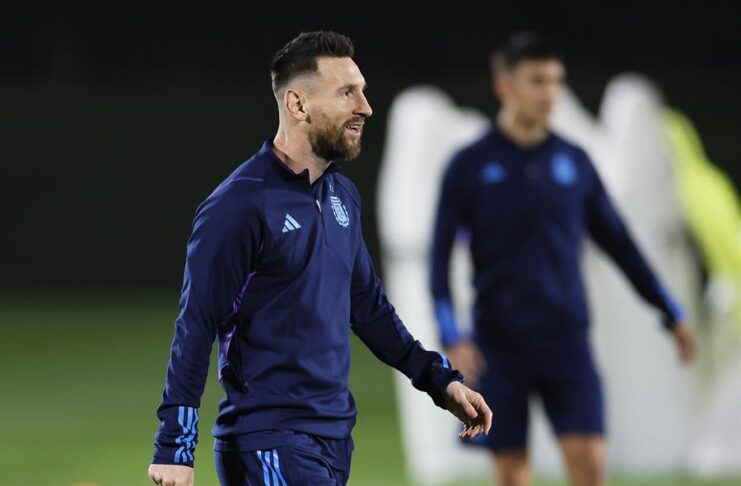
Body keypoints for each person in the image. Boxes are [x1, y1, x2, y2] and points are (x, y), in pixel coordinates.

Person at [147, 31, 492, 486]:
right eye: (347, 93)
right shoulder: (240, 204)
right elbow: (196, 324)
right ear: (298, 104)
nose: (365, 107)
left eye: (362, 91)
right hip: (267, 441)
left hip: (333, 439)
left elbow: (368, 308)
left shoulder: (342, 195)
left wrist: (439, 380)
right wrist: (175, 446)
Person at [430, 32, 695, 486]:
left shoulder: (575, 162)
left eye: (556, 81)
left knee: (590, 466)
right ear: (504, 85)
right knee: (512, 474)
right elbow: (437, 262)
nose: (549, 92)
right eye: (537, 81)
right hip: (499, 347)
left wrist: (669, 311)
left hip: (567, 341)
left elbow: (621, 246)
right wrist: (452, 336)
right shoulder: (469, 165)